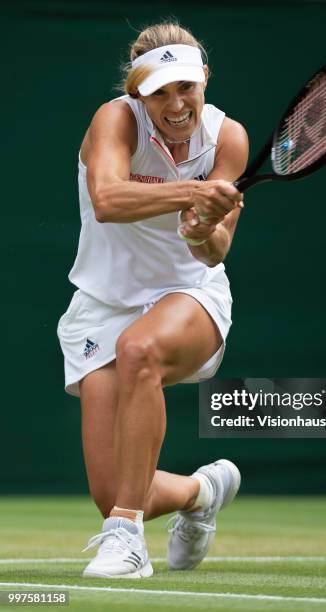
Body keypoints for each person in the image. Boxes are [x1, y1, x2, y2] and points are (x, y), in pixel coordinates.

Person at [56, 21, 248, 579]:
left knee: (138, 348)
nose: (176, 103)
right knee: (113, 488)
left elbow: (215, 252)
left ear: (204, 79)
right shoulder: (114, 119)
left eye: (185, 86)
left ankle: (127, 539)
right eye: (159, 91)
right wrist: (194, 192)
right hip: (102, 301)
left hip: (188, 293)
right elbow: (108, 197)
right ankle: (201, 492)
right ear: (138, 93)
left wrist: (200, 230)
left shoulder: (227, 139)